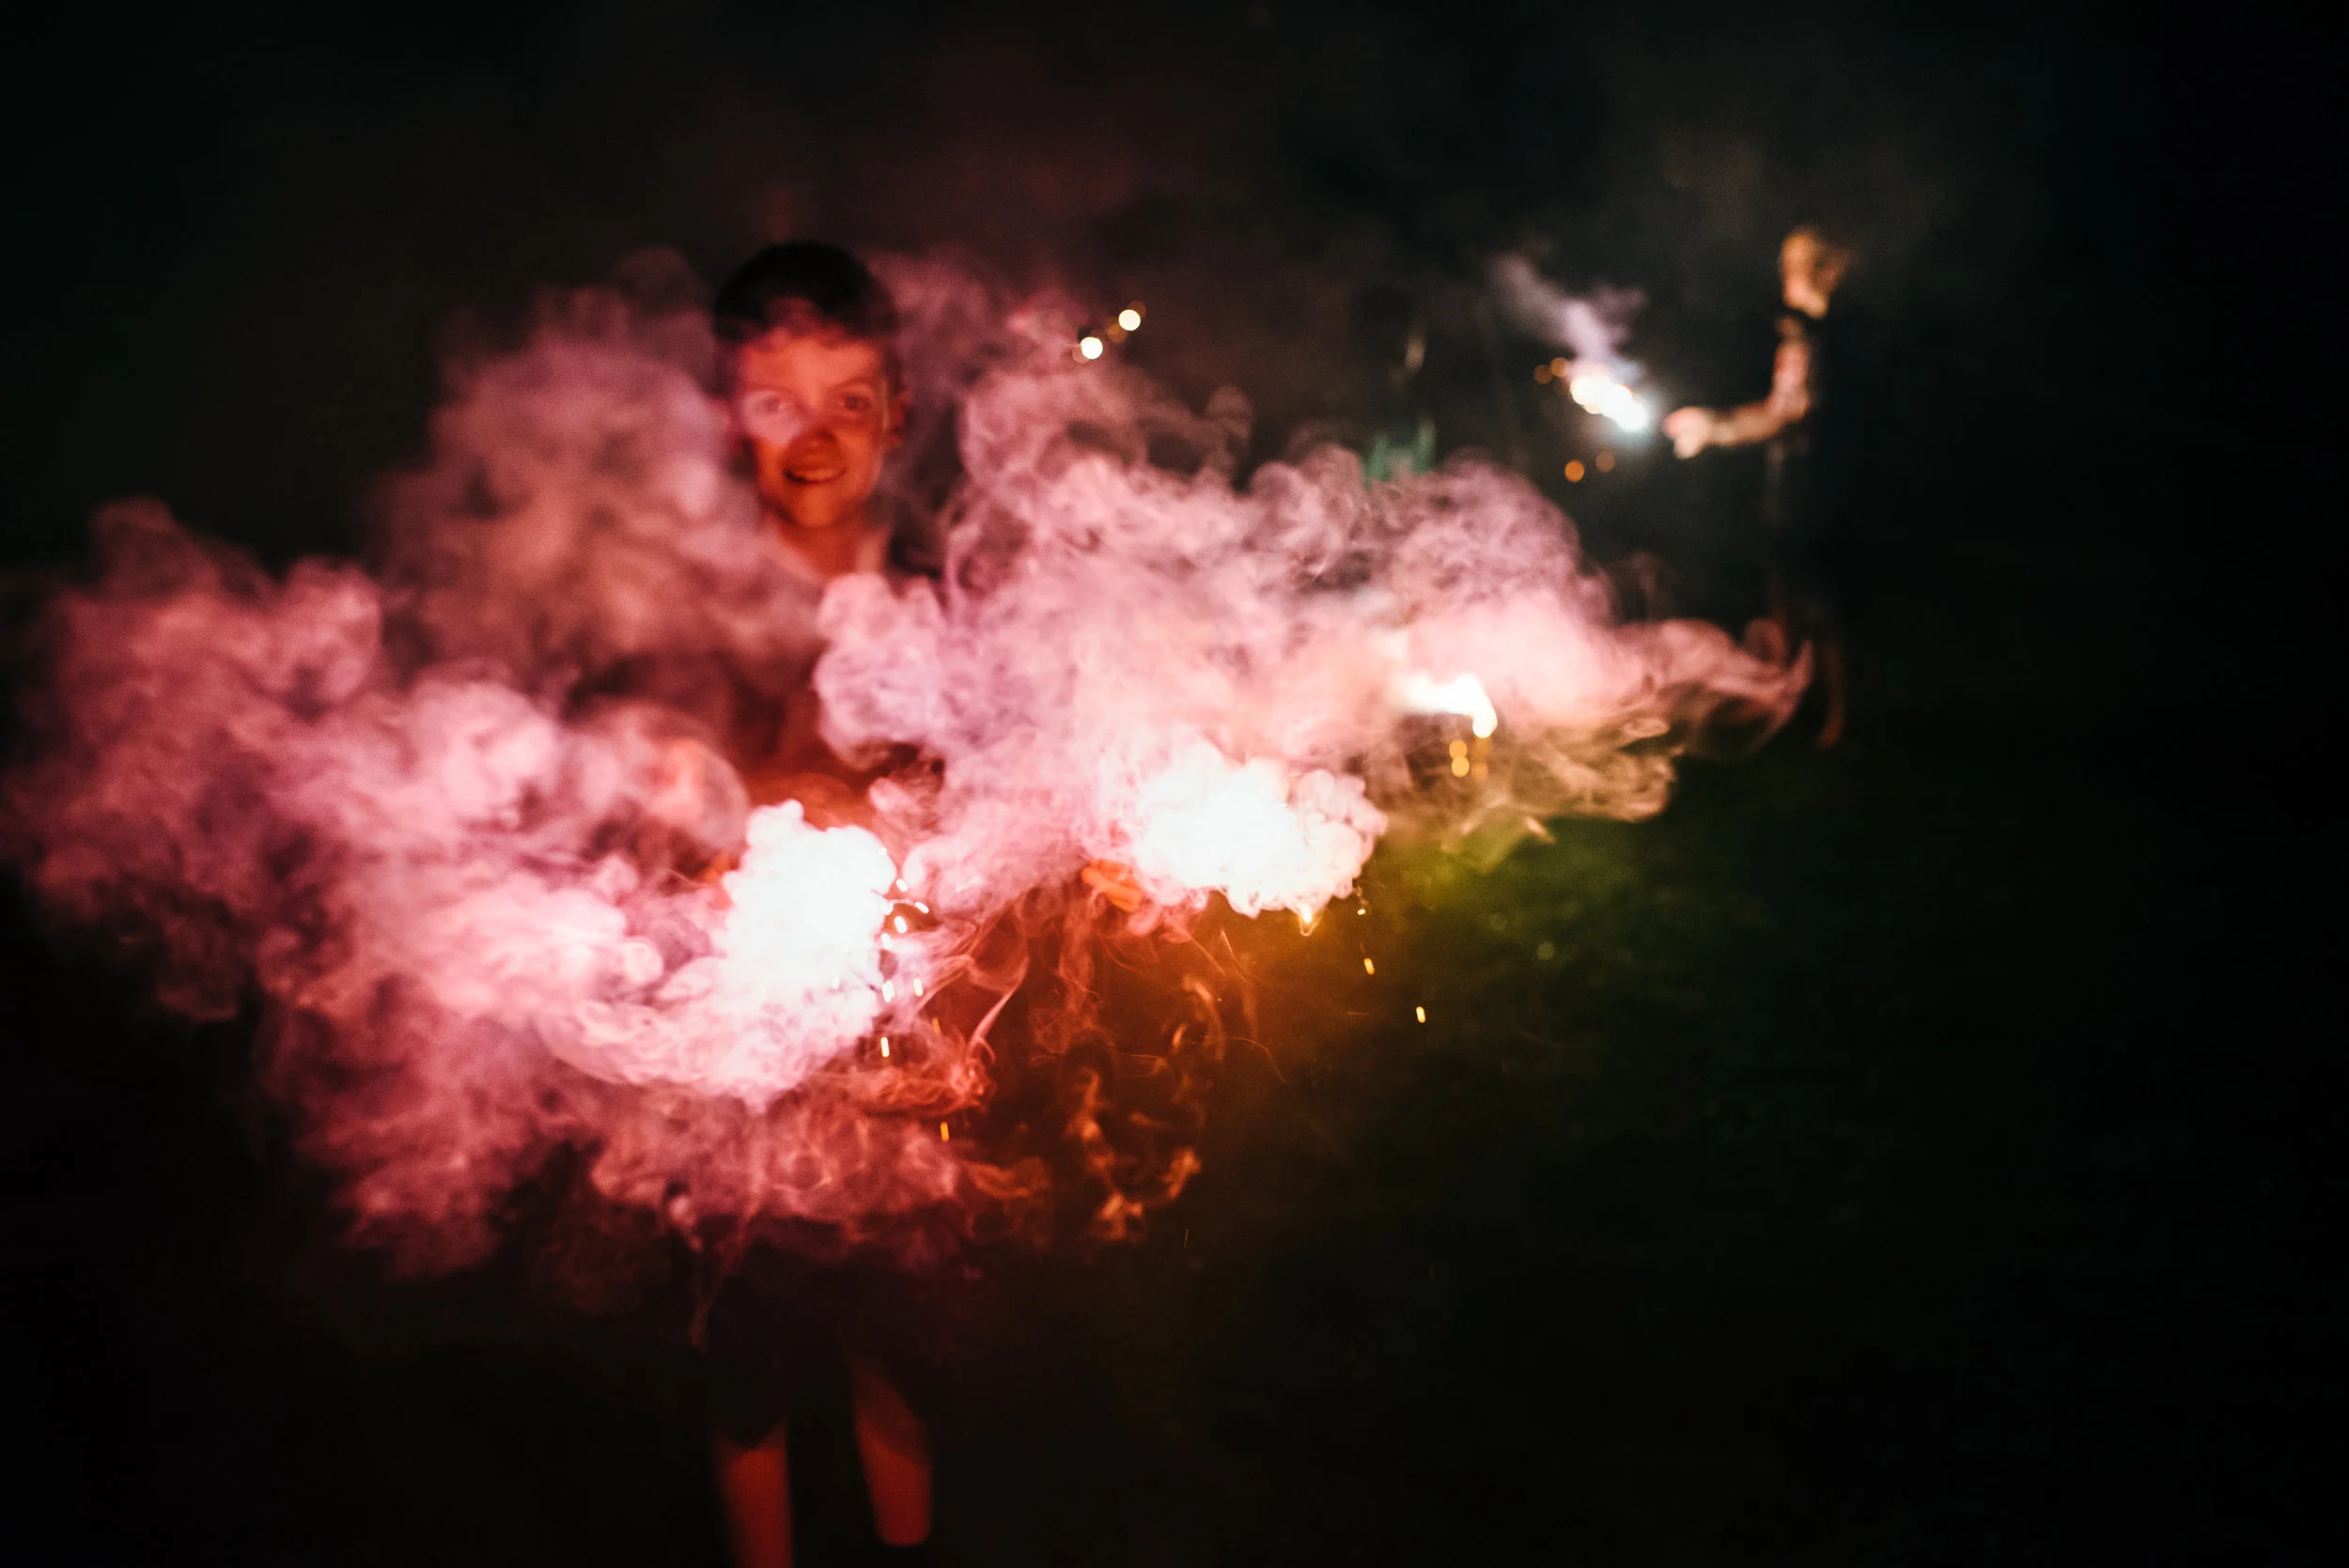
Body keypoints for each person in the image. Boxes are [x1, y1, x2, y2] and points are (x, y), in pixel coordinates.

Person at [703, 241, 940, 1567]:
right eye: (775, 403)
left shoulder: (945, 593)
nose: (814, 439)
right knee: (749, 1363)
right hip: (735, 1063)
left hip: (923, 1047)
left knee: (910, 1345)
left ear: (896, 415)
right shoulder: (680, 604)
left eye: (848, 402)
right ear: (728, 415)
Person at [1663, 226, 1853, 747]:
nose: (1787, 277)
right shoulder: (1798, 339)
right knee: (1783, 595)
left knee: (1823, 602)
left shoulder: (1829, 338)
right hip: (1788, 482)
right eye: (1787, 265)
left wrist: (1715, 428)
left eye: (1798, 266)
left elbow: (1790, 416)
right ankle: (1785, 701)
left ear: (1826, 272)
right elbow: (1777, 407)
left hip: (1820, 485)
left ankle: (1842, 715)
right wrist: (1713, 424)